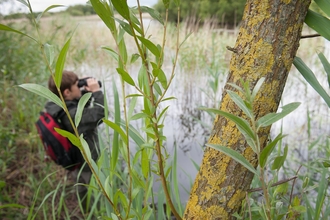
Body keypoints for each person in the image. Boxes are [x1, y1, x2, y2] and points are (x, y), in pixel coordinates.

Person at [45, 70, 105, 210]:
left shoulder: (59, 105)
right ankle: (97, 212)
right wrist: (96, 93)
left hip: (74, 157)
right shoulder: (72, 115)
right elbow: (99, 113)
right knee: (94, 190)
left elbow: (78, 104)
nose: (80, 88)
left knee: (81, 186)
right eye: (77, 86)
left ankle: (85, 210)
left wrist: (85, 90)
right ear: (67, 92)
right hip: (86, 161)